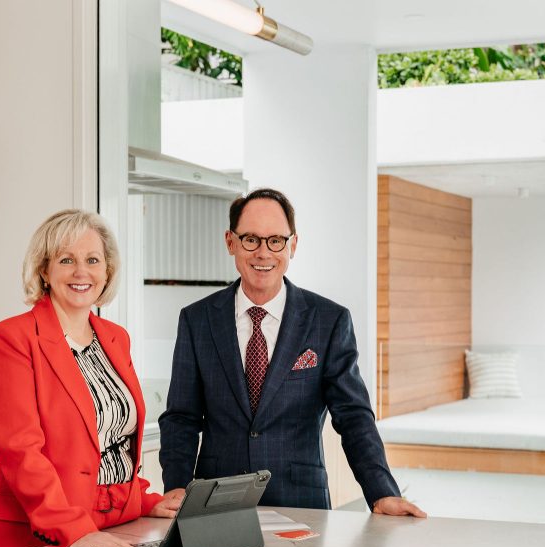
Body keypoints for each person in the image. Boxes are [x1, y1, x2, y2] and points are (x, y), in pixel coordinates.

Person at [159, 188, 425, 516]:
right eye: (250, 239)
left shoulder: (328, 321)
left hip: (301, 502)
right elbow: (181, 417)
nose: (263, 252)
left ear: (293, 245)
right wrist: (176, 485)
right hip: (216, 503)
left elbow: (353, 416)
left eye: (276, 240)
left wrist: (382, 492)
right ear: (230, 242)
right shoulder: (197, 319)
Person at [0, 209, 180, 547]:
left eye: (93, 260)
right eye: (66, 260)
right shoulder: (9, 340)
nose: (81, 272)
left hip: (112, 531)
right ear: (44, 270)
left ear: (107, 271)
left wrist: (144, 500)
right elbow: (21, 452)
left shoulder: (116, 339)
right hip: (37, 539)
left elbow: (112, 443)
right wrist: (74, 529)